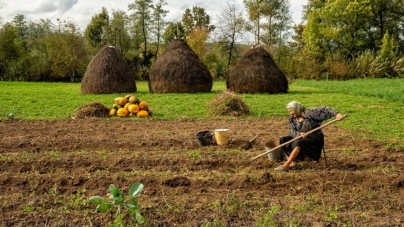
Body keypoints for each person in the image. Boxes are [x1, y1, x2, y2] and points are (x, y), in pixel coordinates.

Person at [274, 101, 344, 171]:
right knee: (283, 139)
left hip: (315, 138)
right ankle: (292, 164)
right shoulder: (292, 119)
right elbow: (291, 131)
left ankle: (286, 164)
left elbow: (325, 109)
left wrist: (336, 114)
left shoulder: (311, 113)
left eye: (291, 111)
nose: (290, 113)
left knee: (300, 142)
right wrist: (299, 134)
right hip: (300, 137)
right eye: (289, 112)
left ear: (297, 109)